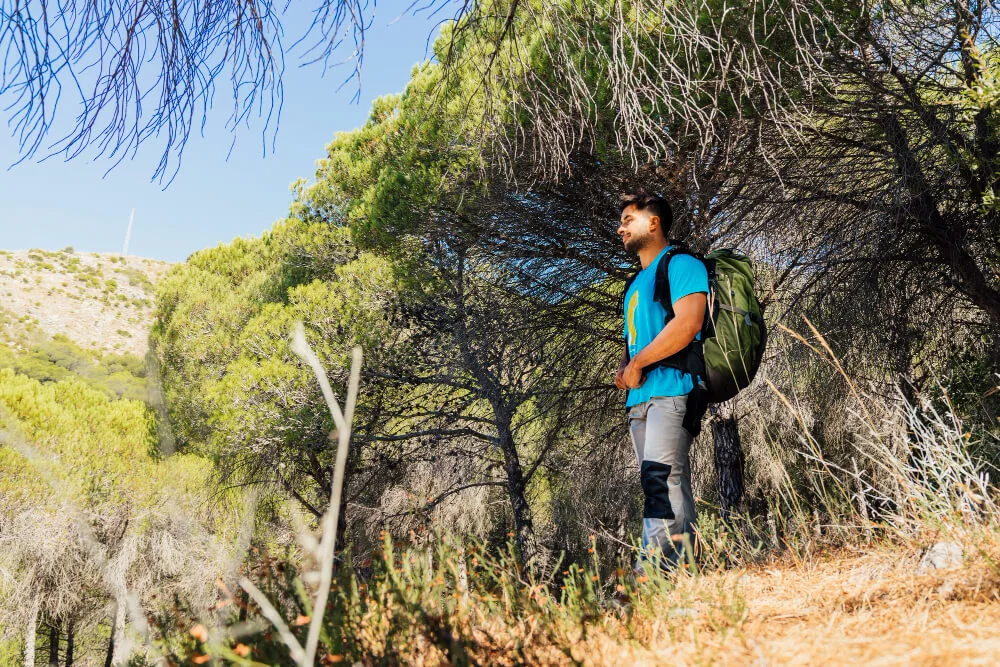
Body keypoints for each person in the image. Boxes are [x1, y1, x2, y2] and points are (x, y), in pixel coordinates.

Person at [615, 192, 708, 570]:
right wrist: (626, 369)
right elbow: (634, 339)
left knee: (659, 481)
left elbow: (688, 324)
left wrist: (637, 363)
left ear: (653, 222)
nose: (620, 228)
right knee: (667, 483)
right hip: (640, 398)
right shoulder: (634, 285)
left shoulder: (682, 264)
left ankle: (648, 577)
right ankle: (687, 571)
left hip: (674, 389)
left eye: (628, 219)